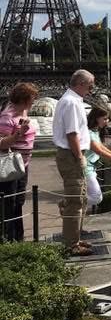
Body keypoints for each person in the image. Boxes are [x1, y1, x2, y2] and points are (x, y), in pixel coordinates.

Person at [52, 69, 95, 256]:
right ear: (81, 83)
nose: (91, 90)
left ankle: (73, 238)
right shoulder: (71, 102)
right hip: (71, 156)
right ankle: (71, 244)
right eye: (90, 86)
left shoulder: (70, 100)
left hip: (70, 155)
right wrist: (80, 157)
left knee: (79, 198)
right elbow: (72, 134)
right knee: (76, 200)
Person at [0, 82, 39, 241]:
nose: (34, 101)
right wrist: (18, 133)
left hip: (23, 166)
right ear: (24, 99)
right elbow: (2, 144)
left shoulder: (23, 111)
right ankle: (9, 239)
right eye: (32, 98)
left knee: (18, 202)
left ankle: (18, 238)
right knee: (10, 204)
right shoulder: (7, 117)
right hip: (11, 167)